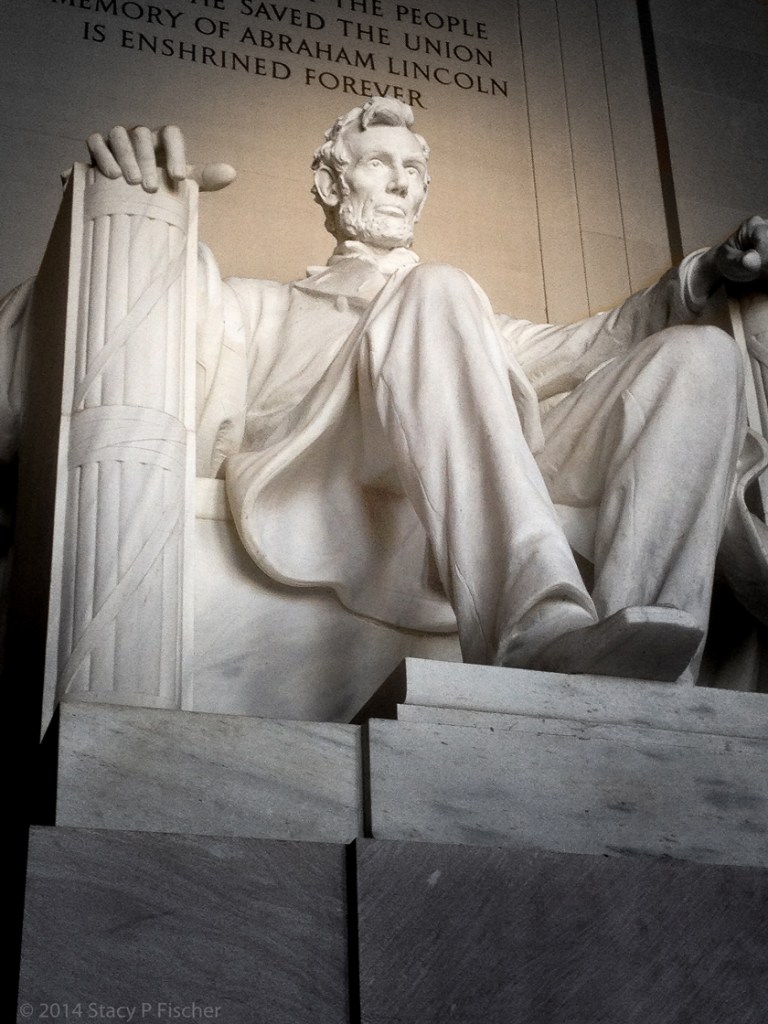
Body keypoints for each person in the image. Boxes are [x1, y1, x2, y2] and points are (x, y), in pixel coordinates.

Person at [10, 101, 768, 680]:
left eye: (414, 169)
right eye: (378, 162)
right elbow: (95, 342)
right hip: (325, 483)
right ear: (329, 183)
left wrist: (706, 277)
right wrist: (141, 205)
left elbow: (591, 344)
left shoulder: (463, 313)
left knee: (700, 360)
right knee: (437, 289)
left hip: (461, 477)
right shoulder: (259, 303)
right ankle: (537, 632)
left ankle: (650, 658)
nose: (403, 180)